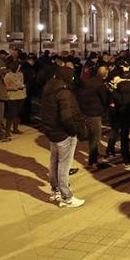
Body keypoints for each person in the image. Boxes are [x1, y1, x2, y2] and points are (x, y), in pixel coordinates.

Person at [40, 66, 86, 208]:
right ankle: (66, 196)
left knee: (54, 161)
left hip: (51, 130)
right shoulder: (64, 92)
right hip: (63, 132)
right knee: (64, 165)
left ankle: (55, 190)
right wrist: (73, 131)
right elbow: (67, 116)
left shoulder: (49, 88)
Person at [108, 71, 130, 165]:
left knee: (124, 136)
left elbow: (113, 101)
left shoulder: (117, 88)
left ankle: (125, 157)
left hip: (122, 114)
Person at [80, 66, 109, 169]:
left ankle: (95, 155)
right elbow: (105, 99)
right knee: (96, 138)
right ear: (105, 74)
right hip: (95, 113)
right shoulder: (101, 85)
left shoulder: (89, 81)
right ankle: (93, 161)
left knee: (92, 136)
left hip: (86, 111)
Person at [4, 61, 26, 137]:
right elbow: (5, 87)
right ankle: (7, 131)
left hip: (21, 96)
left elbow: (22, 82)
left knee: (17, 113)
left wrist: (23, 86)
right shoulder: (8, 75)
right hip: (12, 97)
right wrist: (16, 88)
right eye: (18, 66)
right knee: (11, 114)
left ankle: (15, 129)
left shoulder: (21, 74)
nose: (20, 68)